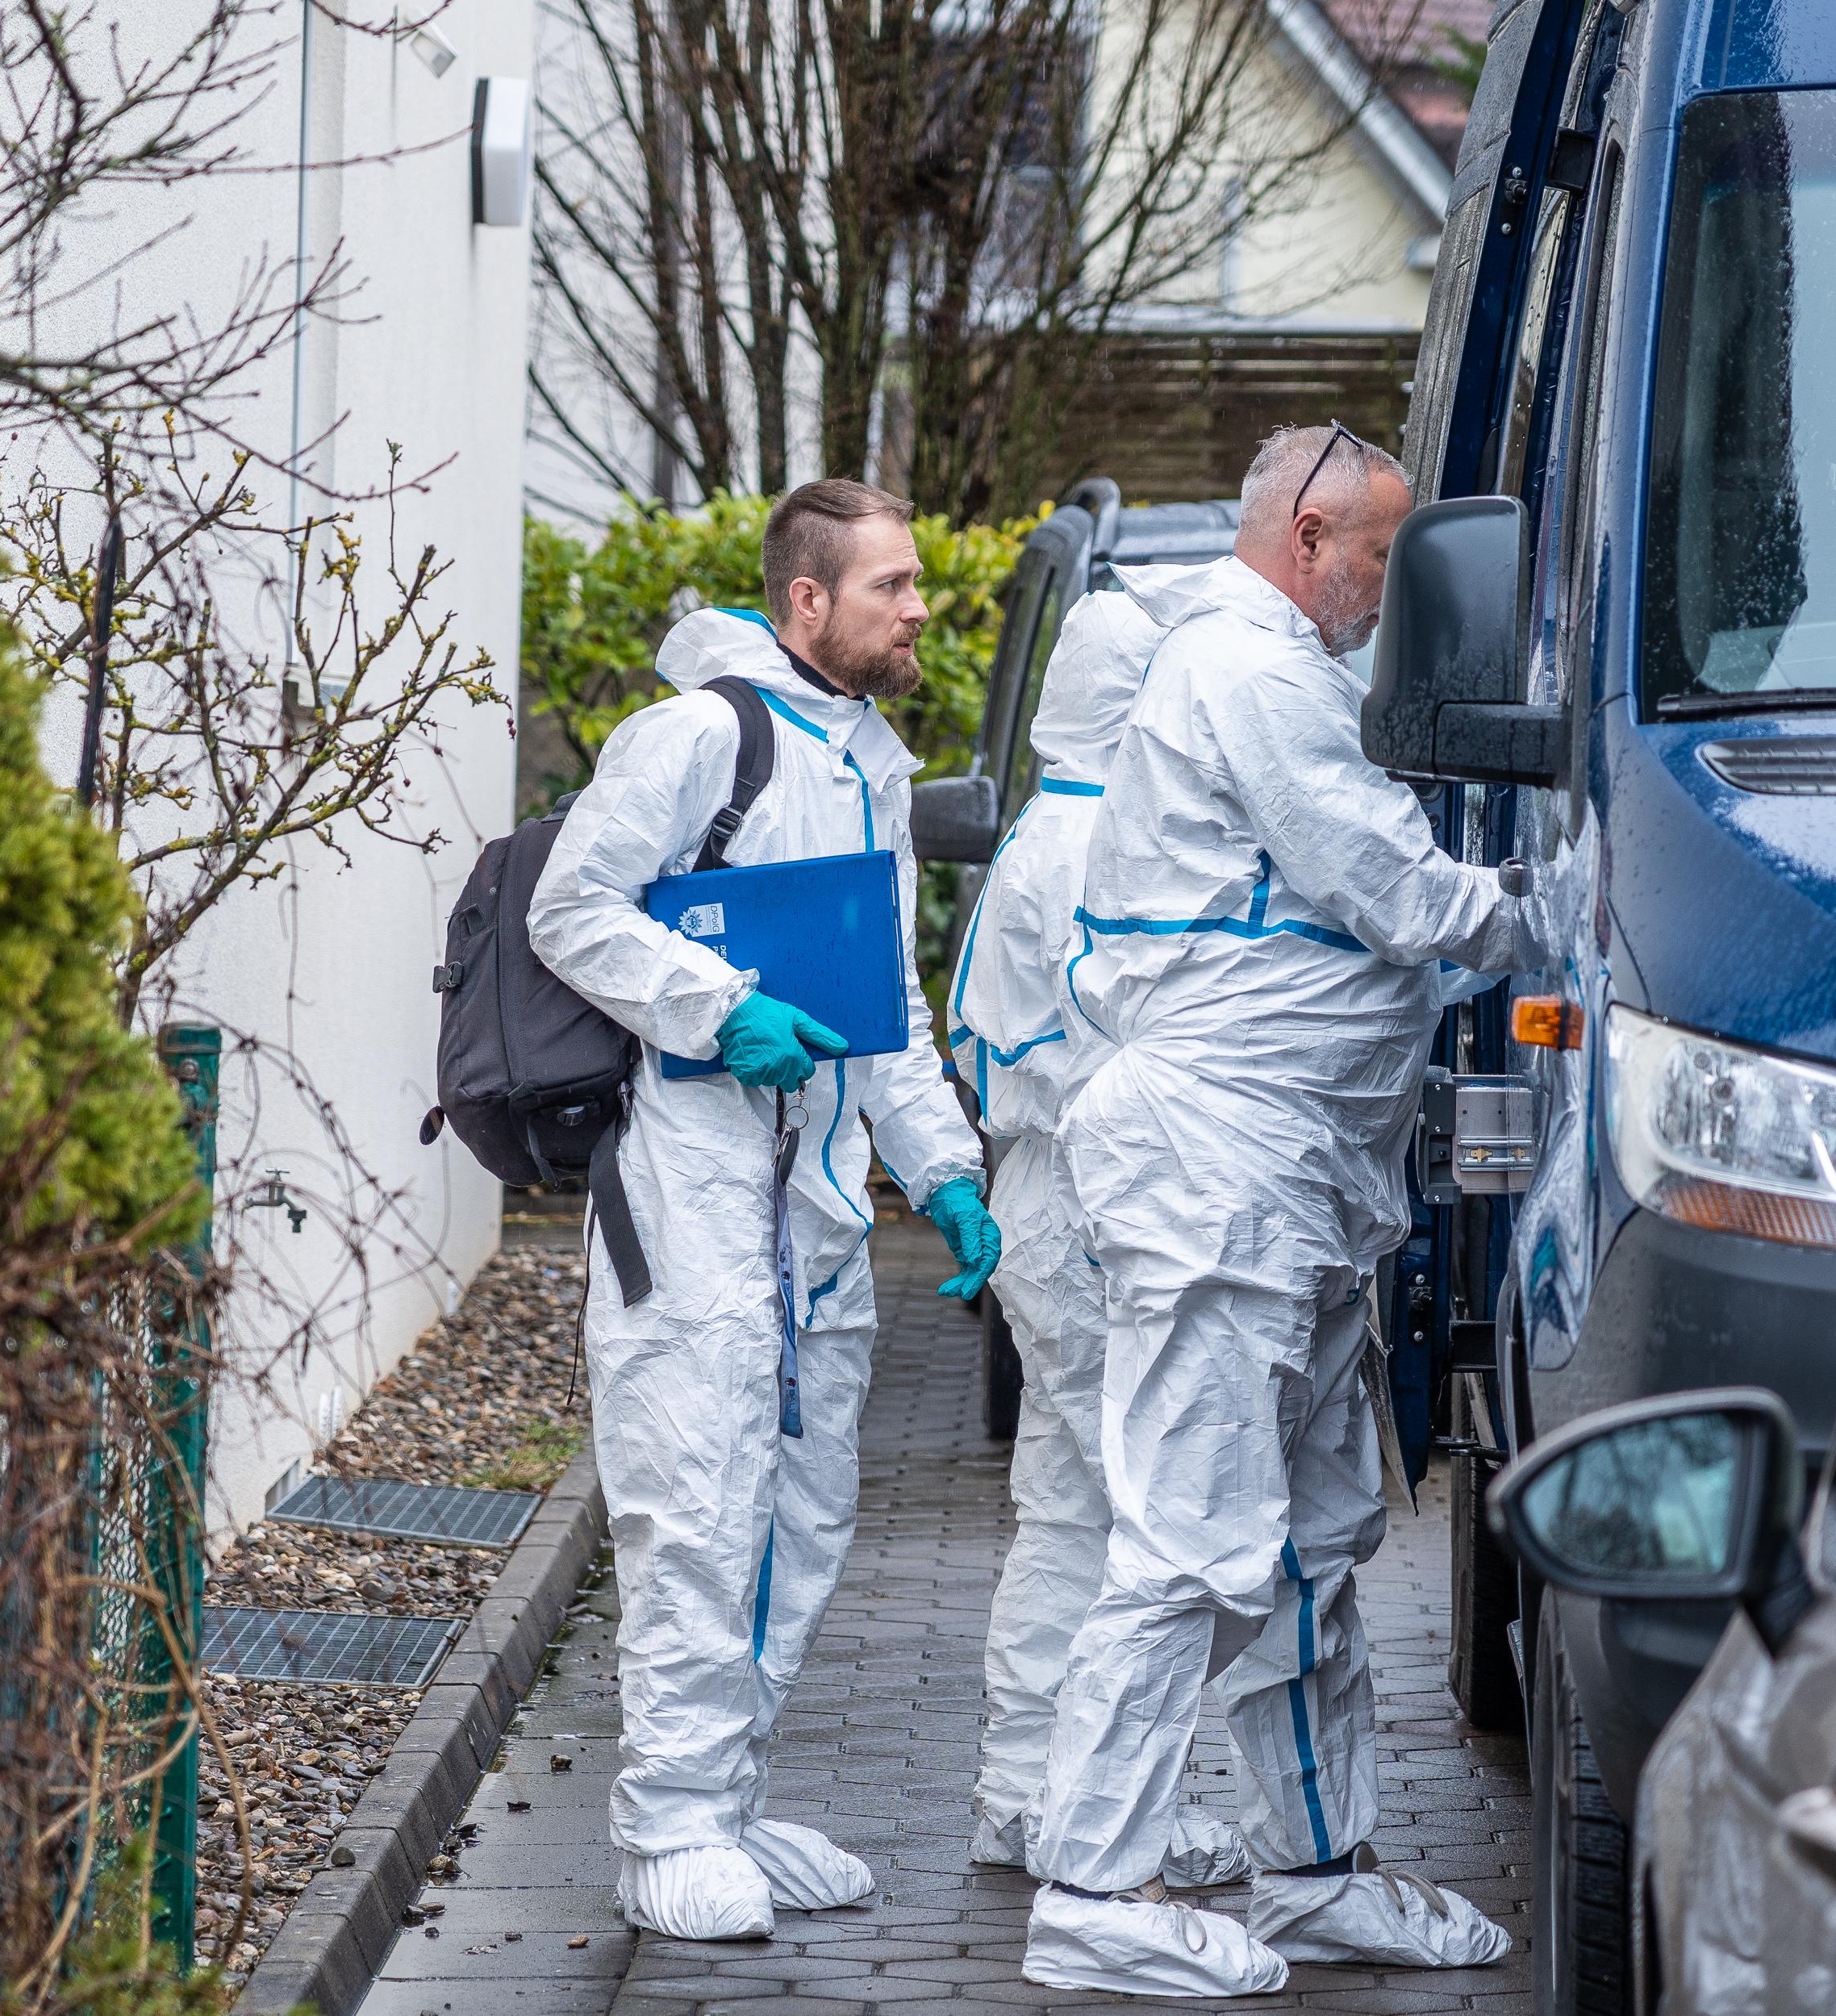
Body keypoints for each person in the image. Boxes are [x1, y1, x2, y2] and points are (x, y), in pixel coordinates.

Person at [1025, 426, 1528, 1995]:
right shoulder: (1248, 669)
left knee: (1310, 1541)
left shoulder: (1272, 670)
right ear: (1312, 531)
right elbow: (1386, 885)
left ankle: (1314, 1868)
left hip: (1293, 1180)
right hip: (1215, 1169)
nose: (1384, 590)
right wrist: (1558, 914)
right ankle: (1091, 1891)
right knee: (1186, 1541)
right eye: (1376, 553)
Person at [528, 478, 1004, 1942]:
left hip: (813, 1194)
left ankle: (726, 1803)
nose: (920, 607)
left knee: (801, 1504)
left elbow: (888, 1008)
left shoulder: (868, 763)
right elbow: (570, 908)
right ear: (808, 600)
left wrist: (946, 1168)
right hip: (692, 1177)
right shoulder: (699, 738)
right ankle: (664, 1827)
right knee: (701, 1489)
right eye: (893, 586)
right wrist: (717, 1006)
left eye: (917, 582)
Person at [951, 582, 1252, 1895]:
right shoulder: (1108, 851)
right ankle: (1111, 1817)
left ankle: (1024, 1794)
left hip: (1040, 1190)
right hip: (1098, 1202)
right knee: (1149, 1513)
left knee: (1068, 1512)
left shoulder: (1042, 826)